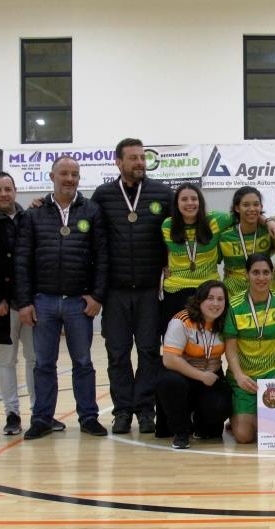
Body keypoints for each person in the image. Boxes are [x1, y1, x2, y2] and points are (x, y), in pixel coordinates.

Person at [15, 156, 108, 440]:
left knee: (83, 362)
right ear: (52, 176)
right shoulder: (34, 214)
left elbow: (102, 257)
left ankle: (89, 418)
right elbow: (22, 260)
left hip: (79, 303)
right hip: (43, 300)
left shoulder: (91, 211)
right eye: (64, 174)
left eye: (75, 174)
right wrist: (24, 301)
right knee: (43, 363)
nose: (70, 179)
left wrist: (97, 296)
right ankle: (42, 418)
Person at [0, 171, 62, 436]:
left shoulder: (29, 217)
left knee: (36, 360)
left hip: (30, 304)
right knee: (6, 361)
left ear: (15, 190)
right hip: (0, 307)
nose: (3, 194)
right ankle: (11, 414)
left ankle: (40, 413)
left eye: (7, 189)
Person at [91, 138, 172, 435]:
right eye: (133, 158)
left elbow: (186, 225)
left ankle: (146, 410)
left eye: (142, 157)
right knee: (118, 353)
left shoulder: (162, 194)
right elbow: (91, 238)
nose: (140, 162)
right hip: (115, 292)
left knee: (150, 351)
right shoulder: (102, 196)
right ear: (118, 162)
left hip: (151, 290)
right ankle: (122, 411)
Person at [224, 254, 275, 444]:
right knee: (244, 437)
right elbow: (230, 348)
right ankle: (240, 418)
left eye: (266, 272)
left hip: (272, 374)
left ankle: (258, 414)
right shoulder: (234, 305)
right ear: (247, 275)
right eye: (255, 272)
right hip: (245, 379)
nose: (261, 278)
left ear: (272, 275)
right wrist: (239, 376)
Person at [157, 281, 232, 449]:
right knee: (171, 383)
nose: (216, 304)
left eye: (221, 299)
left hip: (211, 375)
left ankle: (196, 420)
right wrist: (201, 376)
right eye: (210, 298)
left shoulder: (225, 321)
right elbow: (169, 359)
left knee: (221, 408)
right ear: (199, 300)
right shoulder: (181, 320)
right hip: (182, 374)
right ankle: (181, 432)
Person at [160, 183, 232, 323]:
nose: (190, 203)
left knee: (208, 337)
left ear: (200, 201)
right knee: (175, 337)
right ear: (177, 203)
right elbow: (163, 249)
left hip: (207, 288)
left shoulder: (216, 220)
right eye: (184, 199)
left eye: (194, 198)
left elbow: (244, 216)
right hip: (175, 289)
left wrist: (272, 222)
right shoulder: (168, 225)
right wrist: (164, 265)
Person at [217, 186, 274, 298]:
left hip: (262, 292)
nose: (252, 209)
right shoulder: (225, 236)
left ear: (261, 207)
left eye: (256, 204)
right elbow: (212, 263)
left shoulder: (268, 232)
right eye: (246, 205)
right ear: (237, 208)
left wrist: (271, 222)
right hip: (232, 295)